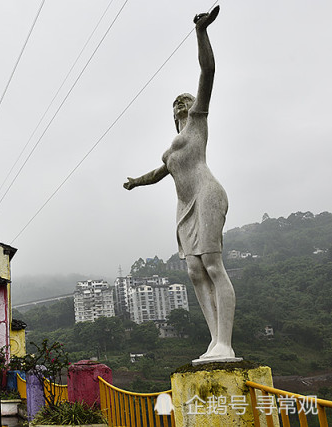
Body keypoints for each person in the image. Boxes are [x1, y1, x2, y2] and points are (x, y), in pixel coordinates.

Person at [124, 6, 238, 362]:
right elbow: (157, 174)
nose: (180, 105)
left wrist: (201, 32)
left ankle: (227, 342)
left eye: (185, 101)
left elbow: (208, 70)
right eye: (176, 103)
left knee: (213, 264)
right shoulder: (170, 151)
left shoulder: (197, 126)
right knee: (193, 270)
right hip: (184, 205)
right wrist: (134, 183)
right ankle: (214, 340)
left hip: (206, 194)